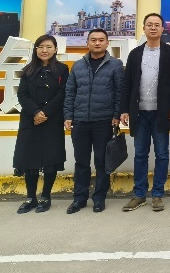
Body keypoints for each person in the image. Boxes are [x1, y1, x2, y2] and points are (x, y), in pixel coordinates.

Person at [120, 13, 170, 212]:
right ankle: (139, 195)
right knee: (140, 154)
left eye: (157, 25)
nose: (153, 28)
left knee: (162, 154)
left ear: (163, 29)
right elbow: (127, 84)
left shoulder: (169, 53)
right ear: (144, 28)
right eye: (149, 25)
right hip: (139, 114)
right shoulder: (135, 54)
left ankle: (157, 195)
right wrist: (124, 109)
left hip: (161, 113)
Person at [63, 29, 124, 214]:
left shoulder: (116, 65)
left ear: (107, 43)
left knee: (101, 162)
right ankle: (79, 198)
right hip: (80, 121)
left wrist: (116, 115)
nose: (97, 43)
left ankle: (99, 198)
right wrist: (68, 115)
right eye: (93, 40)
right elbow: (70, 92)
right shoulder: (78, 66)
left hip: (103, 121)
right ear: (87, 43)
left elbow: (119, 92)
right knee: (81, 162)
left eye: (101, 40)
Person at [13, 35, 69, 214]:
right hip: (30, 120)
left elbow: (63, 94)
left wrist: (46, 113)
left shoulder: (62, 70)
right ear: (36, 49)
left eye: (49, 47)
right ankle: (31, 197)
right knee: (29, 159)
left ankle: (45, 196)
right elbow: (22, 95)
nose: (44, 50)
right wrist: (35, 112)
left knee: (50, 158)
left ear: (55, 49)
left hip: (52, 120)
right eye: (41, 47)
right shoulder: (27, 70)